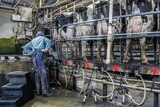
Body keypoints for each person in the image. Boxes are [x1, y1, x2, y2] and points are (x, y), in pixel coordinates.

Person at [22, 31, 53, 97]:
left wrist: (31, 52)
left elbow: (25, 47)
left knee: (37, 73)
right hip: (40, 55)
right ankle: (45, 92)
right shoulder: (43, 38)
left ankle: (38, 91)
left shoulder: (33, 40)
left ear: (37, 35)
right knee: (43, 73)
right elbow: (49, 42)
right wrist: (45, 49)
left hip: (34, 57)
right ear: (42, 34)